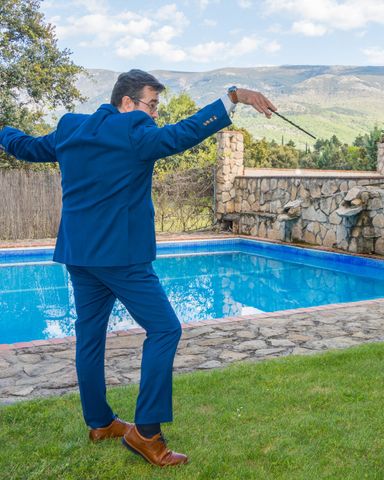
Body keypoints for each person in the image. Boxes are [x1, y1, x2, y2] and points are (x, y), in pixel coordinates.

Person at [0, 70, 276, 467]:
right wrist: (233, 98)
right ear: (126, 102)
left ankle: (99, 422)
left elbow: (26, 147)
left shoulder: (70, 128)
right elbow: (183, 134)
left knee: (90, 338)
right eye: (151, 105)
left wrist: (4, 130)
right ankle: (146, 433)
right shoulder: (134, 130)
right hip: (122, 258)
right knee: (165, 329)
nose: (155, 115)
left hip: (79, 255)